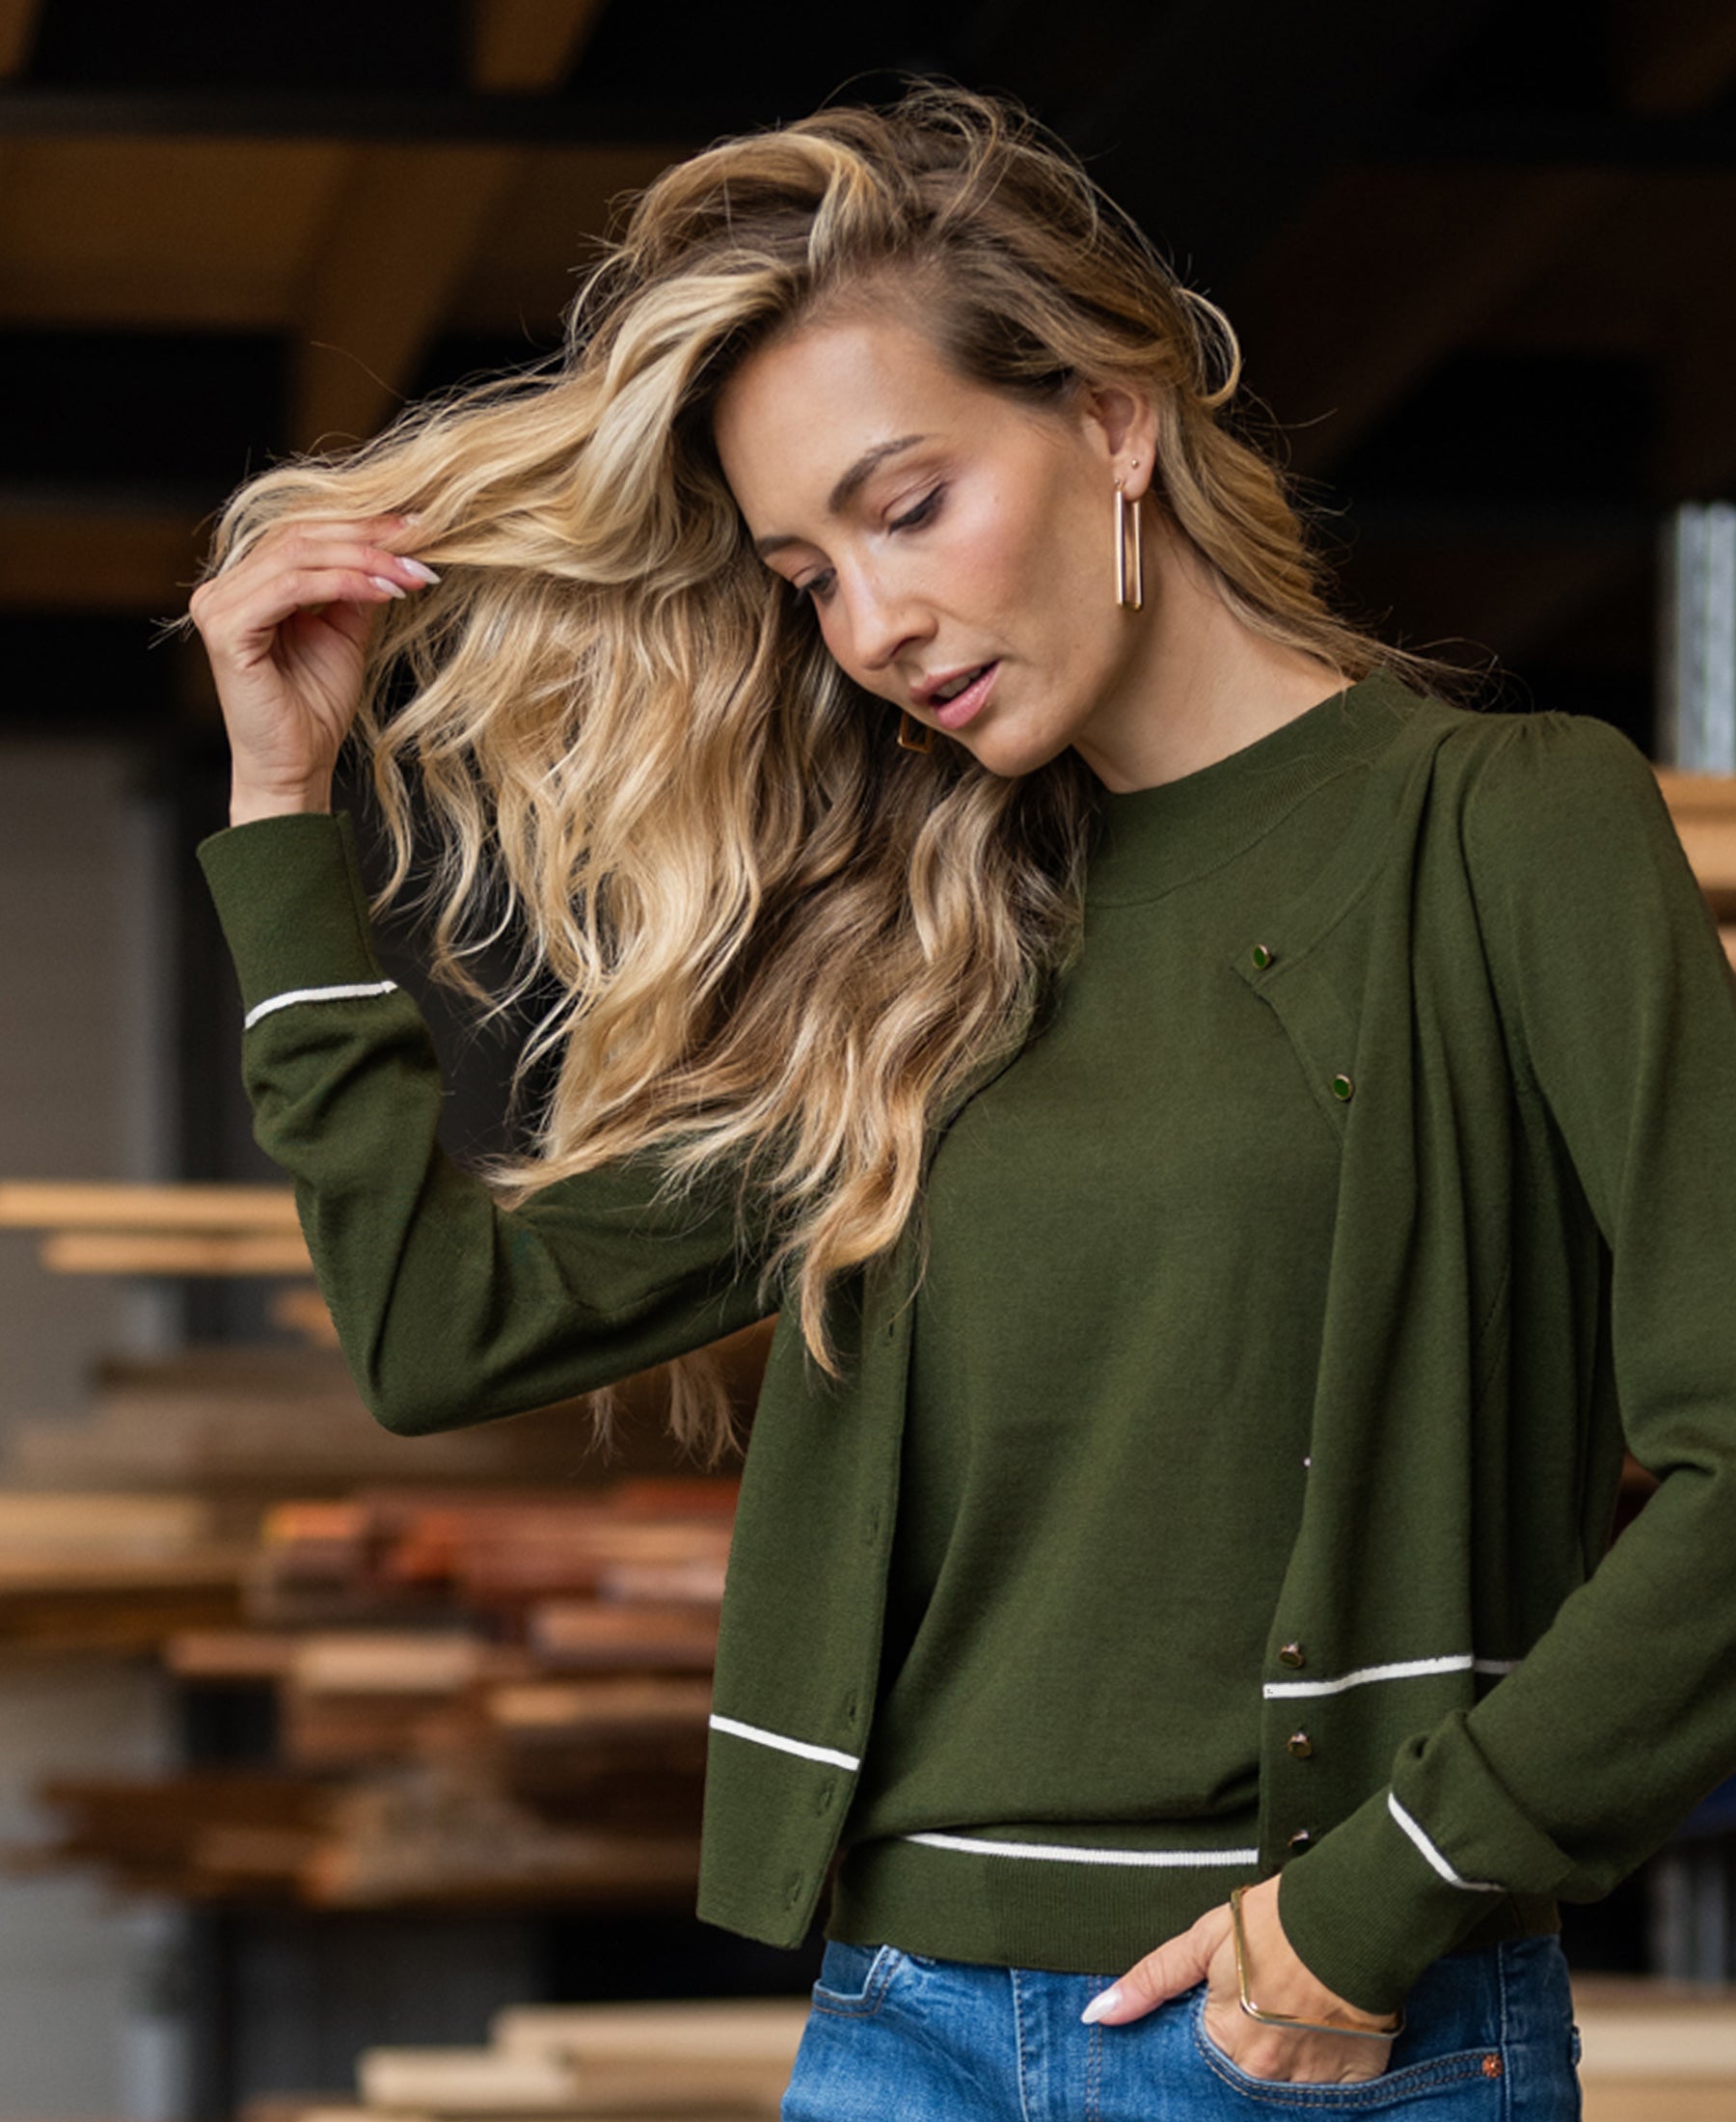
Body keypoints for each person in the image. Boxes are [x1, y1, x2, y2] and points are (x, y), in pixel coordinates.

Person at [179, 81, 1736, 2120]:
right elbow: (438, 1328)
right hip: (896, 2025)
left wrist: (1378, 1904)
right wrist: (284, 804)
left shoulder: (1498, 832)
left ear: (1112, 416)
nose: (876, 625)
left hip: (1313, 2030)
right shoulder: (922, 948)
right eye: (808, 572)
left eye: (907, 505)